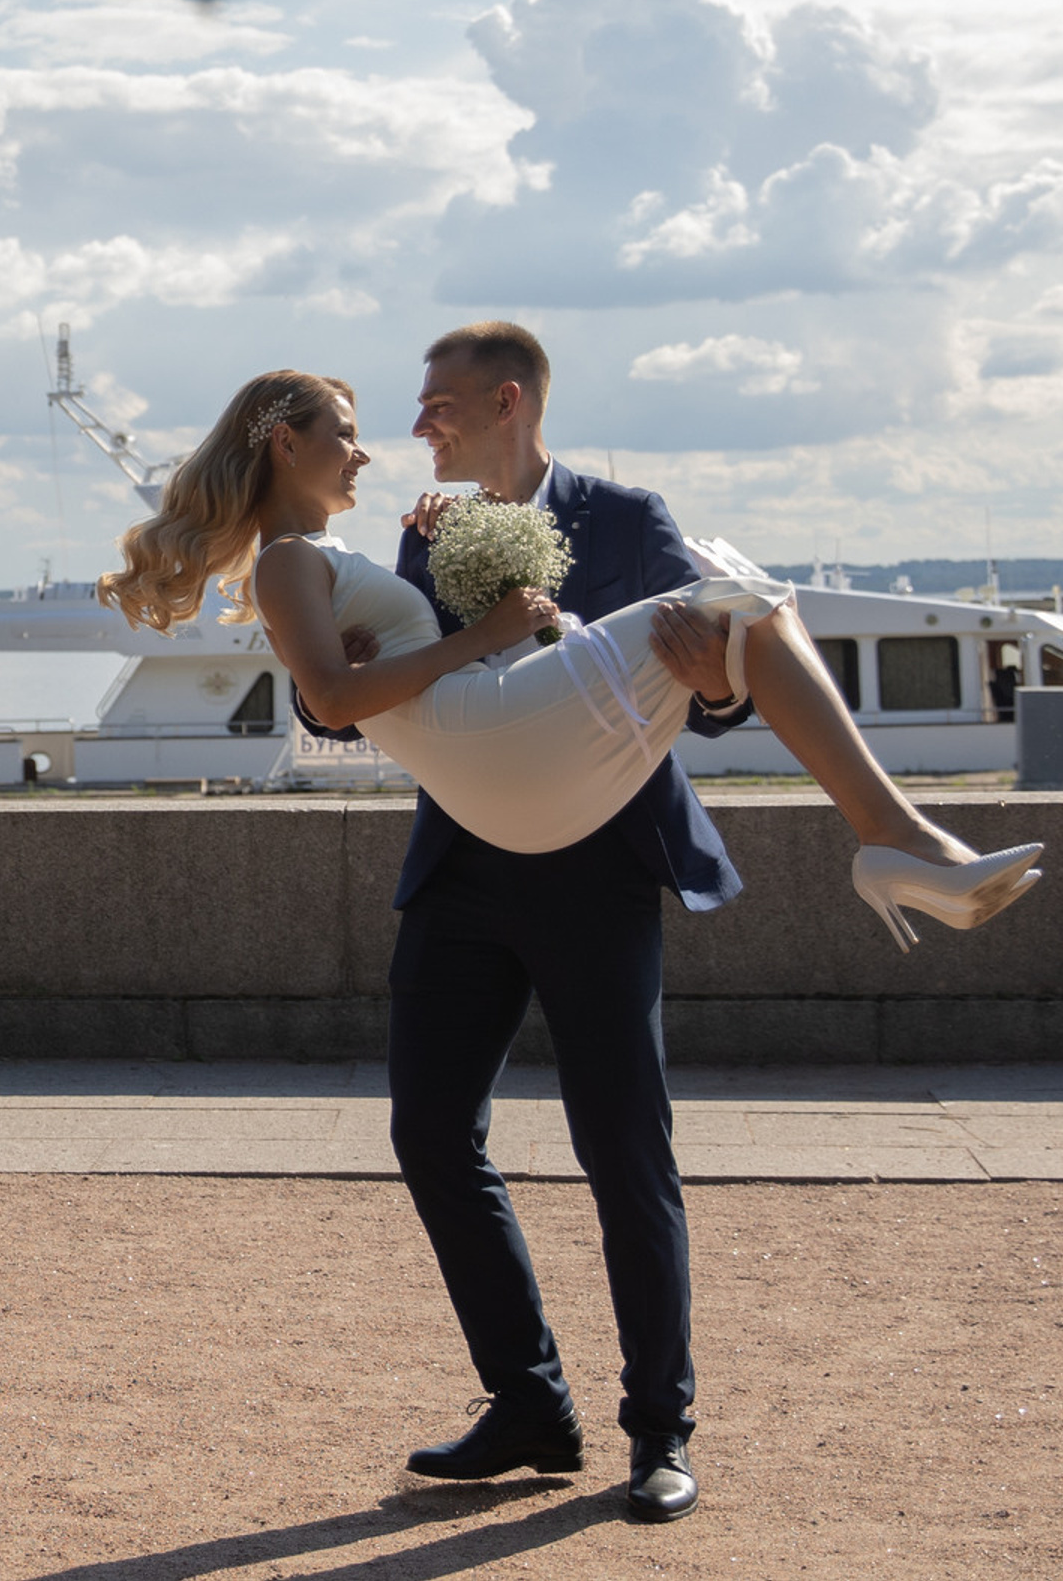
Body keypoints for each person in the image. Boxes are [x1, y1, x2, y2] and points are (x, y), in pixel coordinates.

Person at [99, 343, 1041, 1527]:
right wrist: (464, 632)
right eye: (369, 422)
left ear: (508, 401)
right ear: (284, 444)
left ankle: (659, 1432)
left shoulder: (623, 515)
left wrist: (713, 689)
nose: (405, 431)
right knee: (431, 1131)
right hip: (467, 856)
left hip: (598, 855)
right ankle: (529, 1404)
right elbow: (347, 687)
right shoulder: (405, 534)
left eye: (434, 404)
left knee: (623, 1149)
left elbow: (713, 691)